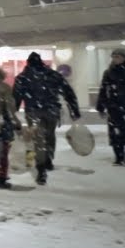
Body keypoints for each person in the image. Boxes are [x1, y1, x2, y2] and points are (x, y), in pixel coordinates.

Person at [13, 52, 81, 184]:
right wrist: (74, 110)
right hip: (51, 111)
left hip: (33, 112)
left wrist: (12, 112)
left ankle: (41, 167)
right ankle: (48, 159)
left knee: (38, 139)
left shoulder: (23, 77)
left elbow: (16, 97)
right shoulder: (53, 75)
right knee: (49, 135)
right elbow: (68, 92)